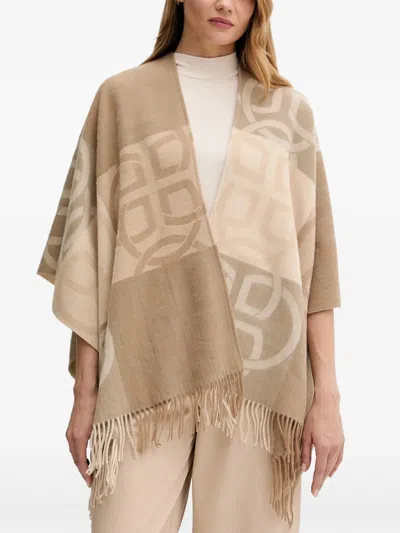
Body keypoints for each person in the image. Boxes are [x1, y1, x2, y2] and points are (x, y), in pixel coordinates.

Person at [37, 1, 345, 532]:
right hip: (142, 366)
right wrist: (84, 394)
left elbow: (315, 270)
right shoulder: (123, 98)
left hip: (260, 376)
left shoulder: (287, 111)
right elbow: (92, 251)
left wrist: (328, 397)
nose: (226, 4)